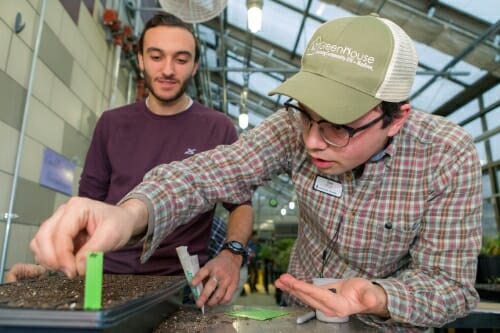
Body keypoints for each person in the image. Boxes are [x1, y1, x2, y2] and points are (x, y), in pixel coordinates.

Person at [29, 14, 482, 330]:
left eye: (338, 128)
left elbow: (450, 287)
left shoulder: (446, 155)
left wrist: (377, 297)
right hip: (297, 314)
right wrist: (129, 214)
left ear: (395, 119)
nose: (311, 140)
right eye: (306, 116)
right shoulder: (295, 128)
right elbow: (211, 172)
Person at [9, 12, 253, 306]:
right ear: (140, 60)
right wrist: (54, 269)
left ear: (195, 65)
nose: (167, 69)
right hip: (107, 275)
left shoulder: (217, 127)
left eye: (181, 59)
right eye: (156, 56)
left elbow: (240, 203)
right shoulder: (112, 124)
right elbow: (87, 209)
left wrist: (232, 254)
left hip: (182, 283)